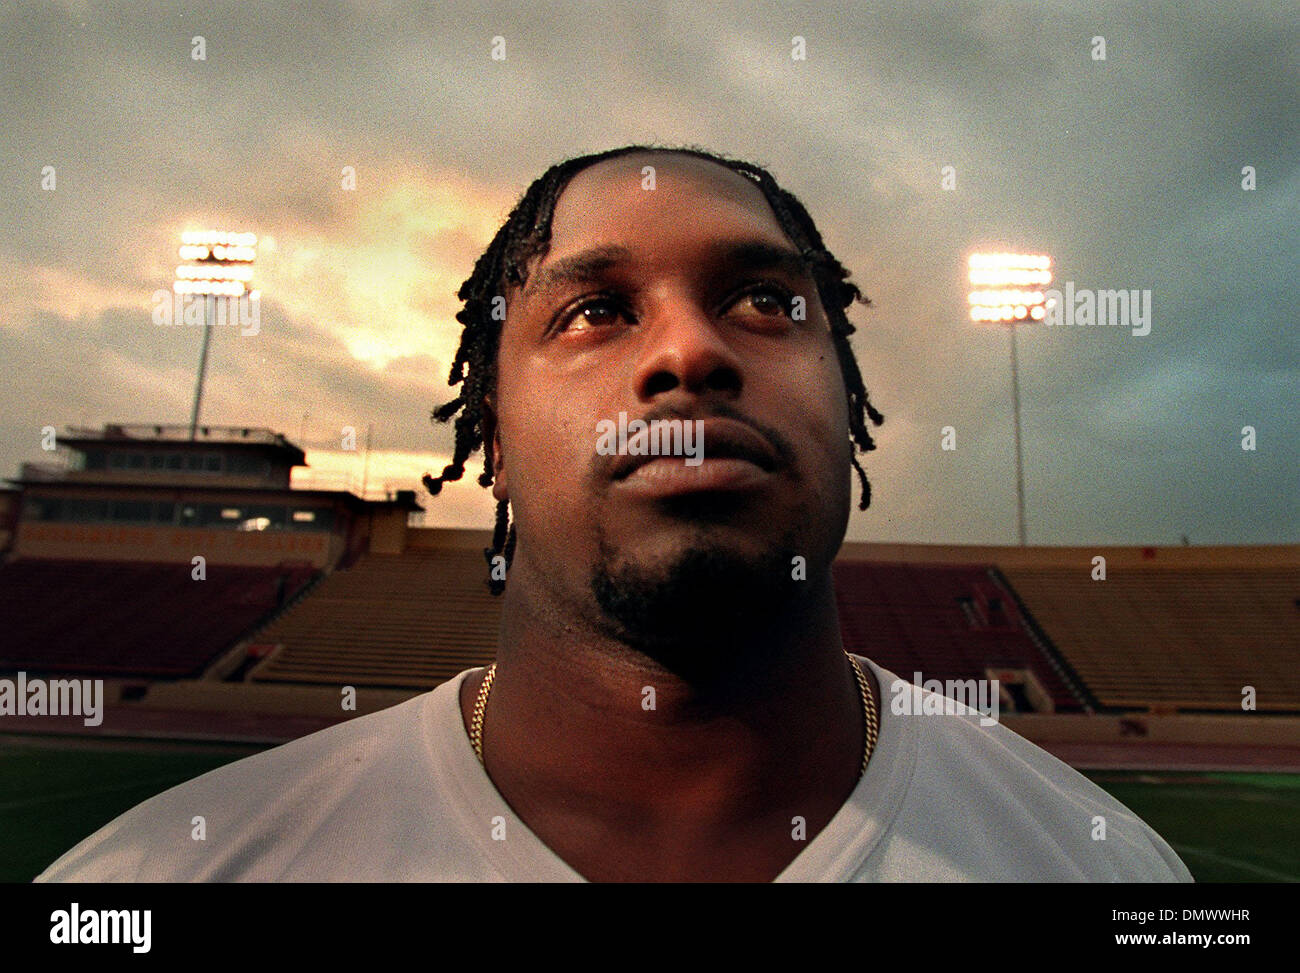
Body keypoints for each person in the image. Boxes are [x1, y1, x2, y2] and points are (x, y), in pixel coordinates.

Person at [36, 145, 1191, 882]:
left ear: (850, 402)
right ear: (488, 434)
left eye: (762, 300)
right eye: (594, 310)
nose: (690, 350)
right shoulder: (156, 882)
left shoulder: (1111, 874)